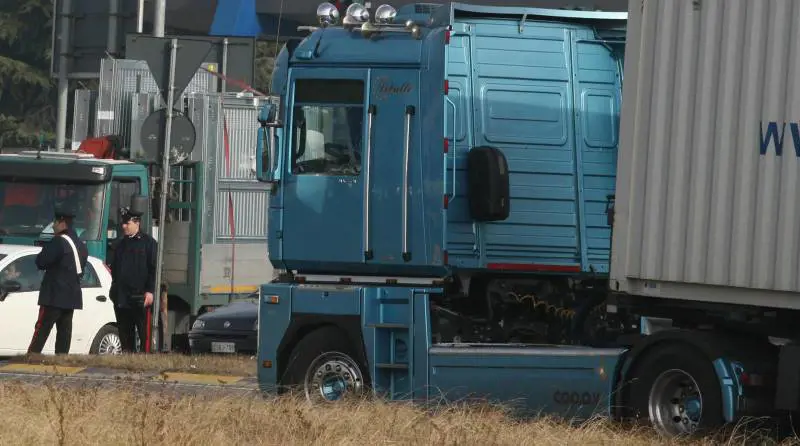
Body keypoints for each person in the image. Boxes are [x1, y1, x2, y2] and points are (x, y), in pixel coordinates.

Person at [27, 207, 89, 355]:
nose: (53, 225)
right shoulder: (81, 245)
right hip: (72, 295)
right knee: (64, 331)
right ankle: (62, 360)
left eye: (55, 222)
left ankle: (32, 356)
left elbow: (41, 262)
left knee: (42, 329)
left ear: (62, 222)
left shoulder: (58, 242)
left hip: (54, 295)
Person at [109, 206, 157, 353]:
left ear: (137, 223)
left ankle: (145, 357)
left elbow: (153, 269)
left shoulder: (148, 243)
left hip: (140, 295)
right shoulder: (119, 244)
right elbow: (115, 269)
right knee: (125, 331)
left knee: (143, 332)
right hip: (122, 295)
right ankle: (128, 356)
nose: (124, 226)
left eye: (127, 223)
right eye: (123, 223)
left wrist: (150, 291)